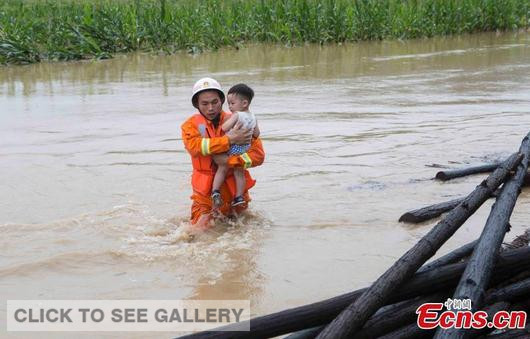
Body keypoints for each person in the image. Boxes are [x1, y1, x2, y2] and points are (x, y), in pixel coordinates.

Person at [181, 77, 265, 229]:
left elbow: (258, 156)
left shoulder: (239, 119)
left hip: (236, 196)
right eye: (204, 104)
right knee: (196, 234)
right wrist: (228, 140)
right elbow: (194, 147)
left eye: (215, 102)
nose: (211, 108)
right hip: (206, 198)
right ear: (197, 105)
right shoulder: (189, 126)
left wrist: (229, 162)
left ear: (222, 100)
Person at [211, 84, 260, 208]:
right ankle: (238, 197)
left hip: (232, 148)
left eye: (232, 103)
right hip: (244, 150)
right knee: (239, 173)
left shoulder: (237, 115)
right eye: (228, 104)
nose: (230, 107)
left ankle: (215, 191)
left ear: (244, 103)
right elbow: (256, 134)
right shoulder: (254, 117)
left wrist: (229, 126)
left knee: (222, 167)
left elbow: (224, 127)